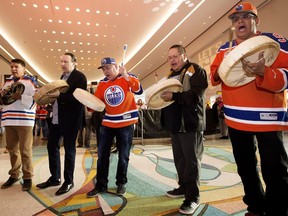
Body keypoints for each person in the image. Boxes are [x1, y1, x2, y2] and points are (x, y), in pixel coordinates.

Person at [210, 2, 288, 216]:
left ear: (256, 20)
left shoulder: (275, 42)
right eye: (235, 19)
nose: (239, 22)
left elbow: (287, 75)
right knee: (245, 168)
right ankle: (255, 206)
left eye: (245, 17)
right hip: (235, 119)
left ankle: (278, 211)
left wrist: (266, 72)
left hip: (268, 118)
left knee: (275, 169)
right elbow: (214, 74)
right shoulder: (224, 49)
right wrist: (221, 71)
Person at [160, 44, 208, 215]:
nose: (171, 60)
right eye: (169, 57)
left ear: (184, 55)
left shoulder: (196, 70)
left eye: (175, 56)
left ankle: (193, 197)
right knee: (180, 160)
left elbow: (196, 95)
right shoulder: (169, 75)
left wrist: (174, 96)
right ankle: (183, 187)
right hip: (175, 125)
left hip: (190, 125)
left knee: (192, 161)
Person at [86, 57, 143, 197]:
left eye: (108, 67)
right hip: (108, 122)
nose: (105, 71)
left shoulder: (128, 77)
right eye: (103, 69)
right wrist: (88, 104)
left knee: (123, 155)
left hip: (126, 122)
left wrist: (126, 76)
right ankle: (101, 185)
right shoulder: (102, 84)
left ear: (116, 67)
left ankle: (121, 183)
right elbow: (96, 102)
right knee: (102, 156)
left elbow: (139, 90)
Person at [36, 53, 87, 196]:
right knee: (52, 146)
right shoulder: (62, 77)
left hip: (71, 121)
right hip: (56, 119)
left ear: (74, 62)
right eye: (61, 61)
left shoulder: (80, 77)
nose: (63, 64)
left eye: (66, 61)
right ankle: (55, 178)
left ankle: (68, 181)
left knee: (69, 151)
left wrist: (60, 96)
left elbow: (79, 98)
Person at [0, 58, 38, 191]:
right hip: (9, 119)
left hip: (24, 120)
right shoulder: (7, 82)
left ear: (24, 68)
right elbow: (3, 99)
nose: (14, 69)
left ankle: (27, 177)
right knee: (12, 149)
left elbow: (36, 100)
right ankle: (14, 175)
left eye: (16, 66)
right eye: (12, 67)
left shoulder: (30, 81)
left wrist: (20, 97)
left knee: (25, 150)